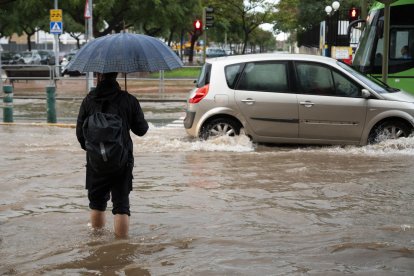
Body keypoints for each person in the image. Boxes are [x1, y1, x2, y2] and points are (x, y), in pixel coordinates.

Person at [76, 72, 148, 238]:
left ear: (98, 75)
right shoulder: (128, 100)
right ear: (117, 74)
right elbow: (142, 130)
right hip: (122, 161)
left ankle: (96, 244)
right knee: (121, 205)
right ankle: (121, 246)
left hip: (95, 162)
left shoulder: (88, 100)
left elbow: (80, 135)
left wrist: (96, 152)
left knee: (96, 204)